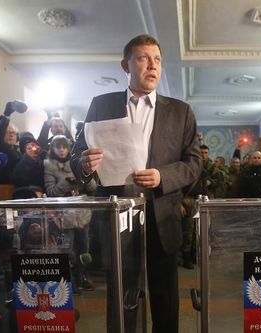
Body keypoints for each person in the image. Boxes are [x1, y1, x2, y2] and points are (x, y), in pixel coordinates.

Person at [70, 34, 202, 332]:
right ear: (125, 65)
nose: (152, 65)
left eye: (157, 60)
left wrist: (162, 176)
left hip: (162, 215)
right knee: (122, 296)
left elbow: (195, 164)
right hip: (119, 217)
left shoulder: (181, 112)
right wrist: (84, 164)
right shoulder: (101, 105)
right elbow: (77, 156)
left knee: (165, 299)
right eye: (143, 58)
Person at [44, 135, 96, 292]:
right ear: (53, 149)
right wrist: (67, 182)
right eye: (58, 147)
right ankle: (69, 281)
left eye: (64, 146)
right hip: (63, 214)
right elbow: (51, 192)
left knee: (84, 249)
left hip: (82, 212)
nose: (61, 150)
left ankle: (82, 277)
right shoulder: (49, 165)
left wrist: (85, 178)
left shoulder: (79, 163)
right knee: (68, 250)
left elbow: (93, 188)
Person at [0, 100, 26, 184]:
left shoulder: (20, 154)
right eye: (8, 132)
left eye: (13, 133)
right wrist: (6, 115)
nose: (11, 135)